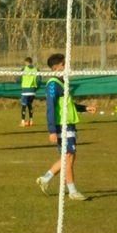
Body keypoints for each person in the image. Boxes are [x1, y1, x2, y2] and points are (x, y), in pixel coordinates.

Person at [36, 53, 94, 200]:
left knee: (68, 158)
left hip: (69, 124)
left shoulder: (62, 82)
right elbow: (50, 107)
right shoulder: (53, 84)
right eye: (65, 64)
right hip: (62, 126)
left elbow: (68, 105)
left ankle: (45, 178)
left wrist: (84, 108)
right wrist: (52, 131)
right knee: (68, 157)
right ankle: (72, 192)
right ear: (57, 67)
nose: (68, 66)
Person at [19, 56, 39, 127]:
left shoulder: (24, 69)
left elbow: (19, 78)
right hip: (33, 90)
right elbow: (39, 80)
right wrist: (36, 88)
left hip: (25, 90)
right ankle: (31, 121)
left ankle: (23, 122)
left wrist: (19, 82)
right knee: (30, 105)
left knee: (24, 106)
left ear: (26, 62)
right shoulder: (36, 69)